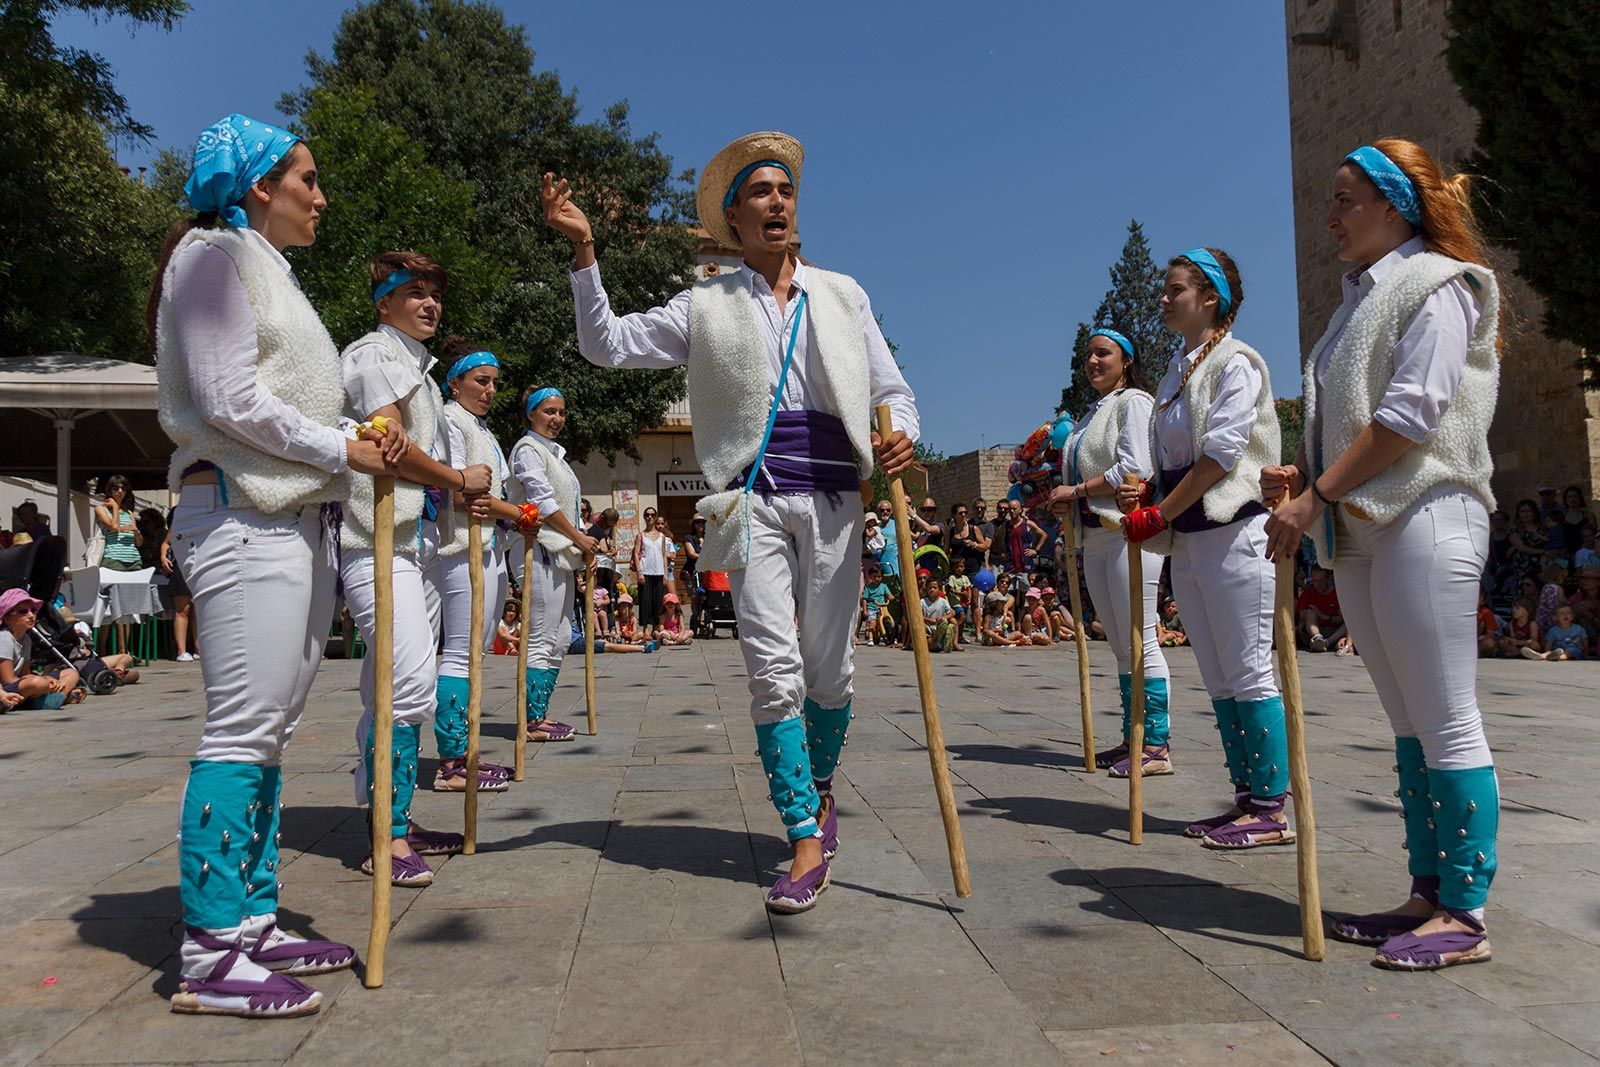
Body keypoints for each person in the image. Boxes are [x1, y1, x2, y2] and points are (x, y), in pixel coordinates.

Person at [545, 130, 918, 913]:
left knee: (831, 672)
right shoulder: (704, 302)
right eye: (761, 192)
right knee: (773, 670)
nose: (777, 202)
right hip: (748, 501)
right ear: (733, 216)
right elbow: (604, 344)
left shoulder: (843, 293)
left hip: (838, 501)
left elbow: (894, 386)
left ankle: (819, 786)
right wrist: (585, 255)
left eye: (785, 190)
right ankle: (803, 836)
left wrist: (903, 432)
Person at [152, 114, 397, 1016]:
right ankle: (210, 947)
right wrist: (343, 445)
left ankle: (250, 917)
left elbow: (281, 392)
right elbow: (230, 397)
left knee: (273, 728)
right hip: (240, 512)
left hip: (289, 517)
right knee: (242, 727)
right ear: (260, 186)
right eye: (308, 180)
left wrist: (355, 440)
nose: (321, 197)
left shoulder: (268, 270)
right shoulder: (211, 257)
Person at [1262, 139, 1502, 970]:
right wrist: (1303, 475)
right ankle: (1426, 890)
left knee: (1446, 715)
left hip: (1426, 512)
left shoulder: (1439, 284)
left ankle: (1466, 910)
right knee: (1408, 724)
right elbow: (1354, 415)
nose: (1330, 215)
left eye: (1345, 198)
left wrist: (1315, 494)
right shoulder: (1351, 305)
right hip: (1364, 527)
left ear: (1394, 204)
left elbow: (1412, 413)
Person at [1117, 247, 1287, 847]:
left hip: (1236, 531)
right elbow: (1176, 454)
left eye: (1176, 290)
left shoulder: (1237, 362)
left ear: (1210, 298)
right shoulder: (1176, 368)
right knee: (1217, 675)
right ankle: (1245, 798)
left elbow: (1220, 455)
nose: (1164, 298)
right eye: (1163, 289)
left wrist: (1158, 510)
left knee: (1249, 669)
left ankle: (1271, 804)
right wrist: (1150, 491)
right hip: (1190, 539)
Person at [339, 252, 496, 882]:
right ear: (385, 303)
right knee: (405, 683)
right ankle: (386, 833)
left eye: (434, 294)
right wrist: (458, 478)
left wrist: (461, 488)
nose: (430, 303)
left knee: (398, 683)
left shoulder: (420, 370)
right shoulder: (375, 354)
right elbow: (390, 444)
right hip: (370, 539)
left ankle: (391, 817)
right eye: (415, 293)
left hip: (413, 542)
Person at [1053, 327, 1170, 778]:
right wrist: (1068, 496)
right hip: (1095, 535)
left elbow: (1135, 467)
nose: (1094, 361)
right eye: (1089, 355)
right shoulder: (1088, 416)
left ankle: (1156, 743)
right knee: (1121, 643)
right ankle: (1133, 736)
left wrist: (1078, 489)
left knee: (1143, 636)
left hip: (1127, 530)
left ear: (1126, 360)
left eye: (1103, 353)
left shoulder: (1134, 402)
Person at [429, 336, 542, 794]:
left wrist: (510, 515)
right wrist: (517, 513)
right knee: (458, 652)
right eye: (481, 381)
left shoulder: (483, 430)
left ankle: (466, 753)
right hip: (460, 547)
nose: (490, 390)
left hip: (489, 546)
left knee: (475, 652)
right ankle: (452, 760)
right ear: (454, 383)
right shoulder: (450, 421)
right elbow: (456, 489)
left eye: (495, 382)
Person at [511, 384, 597, 745]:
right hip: (536, 548)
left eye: (561, 412)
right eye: (549, 411)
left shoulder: (555, 455)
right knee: (542, 635)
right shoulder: (528, 450)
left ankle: (539, 714)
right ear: (532, 414)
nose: (557, 418)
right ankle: (530, 719)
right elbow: (542, 503)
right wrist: (579, 538)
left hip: (560, 552)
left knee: (561, 637)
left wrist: (578, 547)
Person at [0, 588, 83, 708]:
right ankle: (50, 699)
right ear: (8, 618)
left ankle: (54, 699)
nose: (31, 615)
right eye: (23, 611)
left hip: (21, 685)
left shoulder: (26, 639)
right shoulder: (4, 638)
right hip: (6, 688)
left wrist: (46, 679)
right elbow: (8, 679)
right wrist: (44, 680)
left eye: (33, 610)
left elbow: (25, 674)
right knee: (37, 683)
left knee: (71, 673)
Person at [157, 508, 198, 662]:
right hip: (181, 567)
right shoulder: (179, 524)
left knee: (198, 610)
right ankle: (181, 651)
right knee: (183, 610)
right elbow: (166, 543)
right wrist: (163, 557)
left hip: (199, 565)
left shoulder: (204, 522)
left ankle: (198, 649)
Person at [1296, 564, 1347, 652]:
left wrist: (1323, 616)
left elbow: (1341, 619)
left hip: (1334, 631)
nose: (1318, 585)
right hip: (1314, 630)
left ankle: (1326, 642)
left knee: (1348, 624)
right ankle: (1318, 639)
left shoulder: (1337, 593)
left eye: (1321, 581)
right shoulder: (1308, 594)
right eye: (1315, 581)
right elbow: (1302, 617)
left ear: (1328, 579)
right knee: (1310, 612)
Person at [636, 513, 670, 639]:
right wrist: (639, 572)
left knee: (658, 601)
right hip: (645, 571)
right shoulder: (641, 535)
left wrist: (665, 574)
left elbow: (664, 555)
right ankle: (645, 628)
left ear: (655, 517)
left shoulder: (662, 536)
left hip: (659, 572)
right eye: (647, 515)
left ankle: (656, 627)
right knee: (645, 601)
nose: (649, 517)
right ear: (644, 517)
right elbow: (635, 553)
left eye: (652, 515)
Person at [859, 563, 891, 645]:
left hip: (882, 608)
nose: (877, 579)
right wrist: (865, 610)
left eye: (879, 577)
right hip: (872, 607)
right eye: (874, 577)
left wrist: (891, 597)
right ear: (870, 577)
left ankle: (890, 636)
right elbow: (865, 599)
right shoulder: (869, 588)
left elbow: (888, 594)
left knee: (887, 620)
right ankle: (870, 638)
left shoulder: (884, 586)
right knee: (872, 622)